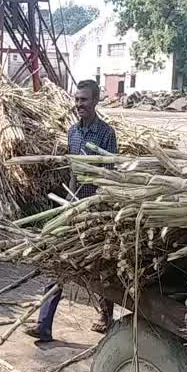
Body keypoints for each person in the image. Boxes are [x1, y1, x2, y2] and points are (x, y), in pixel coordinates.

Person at [26, 79, 117, 343]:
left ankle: (105, 314)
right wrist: (68, 201)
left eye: (84, 100)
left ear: (96, 101)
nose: (79, 105)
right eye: (77, 99)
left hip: (98, 207)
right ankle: (44, 325)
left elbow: (109, 173)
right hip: (75, 205)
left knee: (102, 263)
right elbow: (74, 170)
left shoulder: (106, 134)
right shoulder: (72, 132)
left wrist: (101, 205)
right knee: (59, 260)